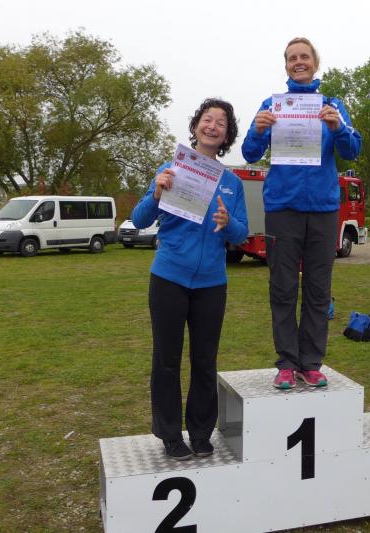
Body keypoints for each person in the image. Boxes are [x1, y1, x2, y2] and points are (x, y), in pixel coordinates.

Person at [241, 37, 362, 389]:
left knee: (318, 289)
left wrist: (338, 127)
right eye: (292, 57)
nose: (299, 62)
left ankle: (311, 363)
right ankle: (286, 363)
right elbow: (249, 153)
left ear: (315, 62)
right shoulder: (272, 105)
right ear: (286, 65)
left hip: (323, 209)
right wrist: (258, 129)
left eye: (304, 56)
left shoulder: (333, 105)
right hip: (282, 208)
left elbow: (352, 150)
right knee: (282, 287)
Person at [132, 98, 249, 460]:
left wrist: (228, 223)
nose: (212, 126)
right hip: (169, 277)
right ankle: (170, 435)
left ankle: (200, 433)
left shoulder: (232, 182)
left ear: (226, 136)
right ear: (196, 125)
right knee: (166, 360)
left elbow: (242, 234)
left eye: (221, 123)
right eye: (207, 120)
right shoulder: (171, 168)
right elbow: (139, 219)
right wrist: (156, 192)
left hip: (211, 284)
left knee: (205, 361)